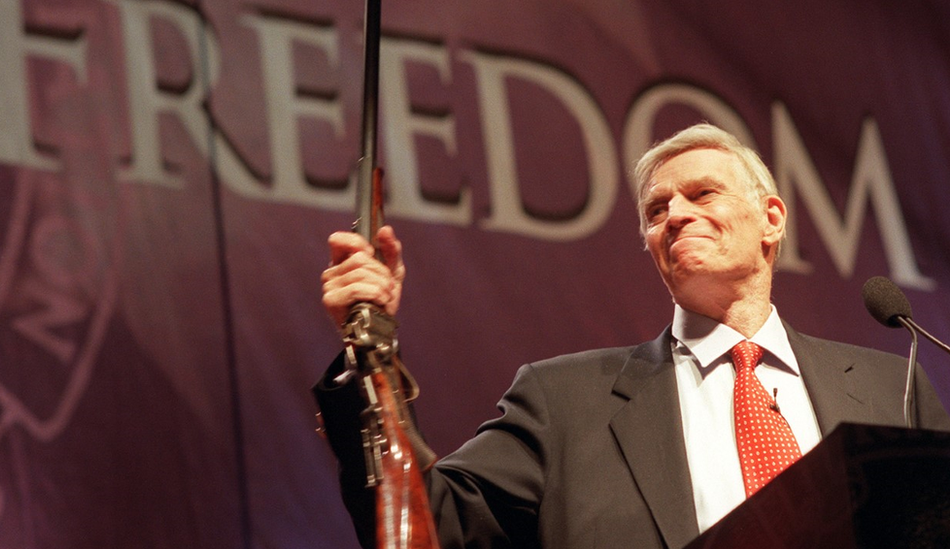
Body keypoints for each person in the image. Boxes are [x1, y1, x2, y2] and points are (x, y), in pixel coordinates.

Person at [315, 123, 950, 549]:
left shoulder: (890, 388)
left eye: (702, 193)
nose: (676, 215)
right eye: (656, 209)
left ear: (771, 218)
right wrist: (372, 355)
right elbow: (431, 523)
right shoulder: (563, 402)